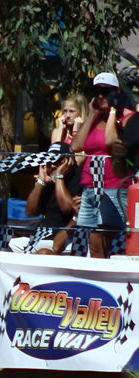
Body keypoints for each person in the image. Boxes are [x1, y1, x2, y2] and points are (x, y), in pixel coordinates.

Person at [70, 71, 135, 258]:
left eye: (106, 92)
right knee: (92, 241)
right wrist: (92, 114)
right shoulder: (96, 117)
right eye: (96, 92)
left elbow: (110, 141)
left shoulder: (127, 117)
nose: (100, 96)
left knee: (103, 238)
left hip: (113, 187)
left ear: (117, 92)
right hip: (90, 187)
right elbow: (76, 146)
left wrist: (114, 110)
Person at [21, 141, 82, 254]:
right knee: (11, 246)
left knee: (43, 253)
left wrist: (59, 177)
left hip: (69, 235)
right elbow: (30, 212)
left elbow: (67, 209)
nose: (53, 165)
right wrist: (40, 182)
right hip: (44, 233)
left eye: (58, 161)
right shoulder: (49, 180)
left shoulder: (78, 178)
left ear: (69, 161)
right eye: (50, 161)